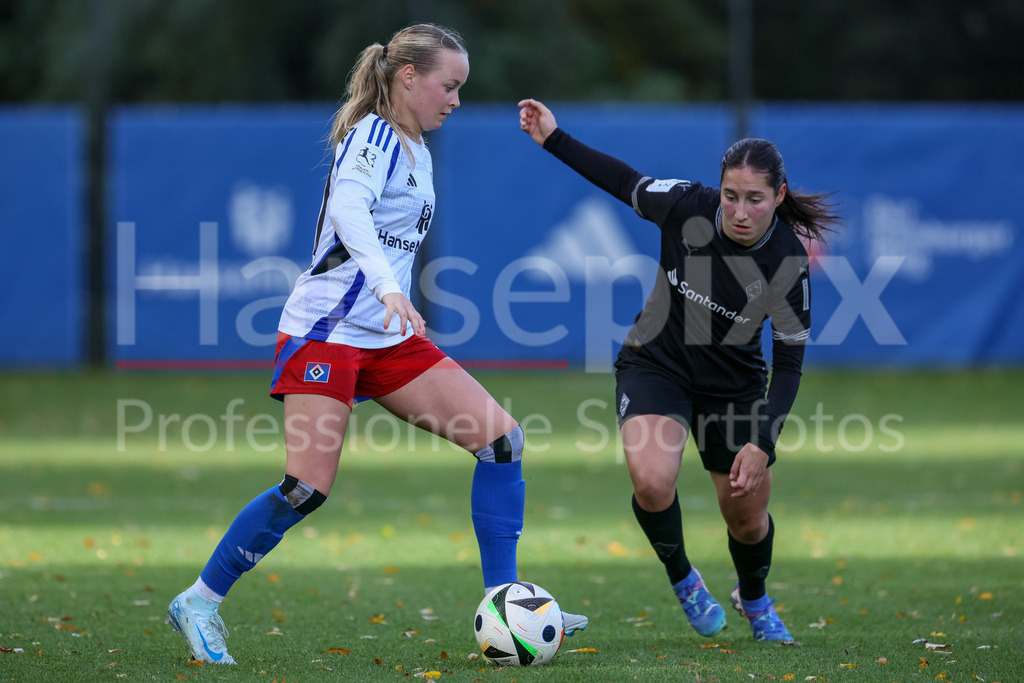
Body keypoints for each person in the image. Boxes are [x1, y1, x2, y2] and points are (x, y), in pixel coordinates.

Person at [165, 25, 587, 665]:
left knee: (501, 441)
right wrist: (390, 288)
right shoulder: (373, 136)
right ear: (408, 77)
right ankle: (199, 601)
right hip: (325, 332)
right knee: (306, 488)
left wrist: (391, 301)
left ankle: (508, 606)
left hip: (385, 339)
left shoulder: (417, 148)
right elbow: (349, 212)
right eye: (449, 86)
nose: (456, 100)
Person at [518, 98, 839, 642]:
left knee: (747, 519)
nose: (739, 211)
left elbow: (788, 365)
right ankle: (684, 579)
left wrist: (762, 441)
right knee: (651, 481)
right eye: (731, 195)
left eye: (755, 199)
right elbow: (623, 181)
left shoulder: (787, 262)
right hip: (656, 363)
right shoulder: (686, 205)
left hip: (734, 386)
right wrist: (553, 137)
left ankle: (755, 598)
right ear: (720, 188)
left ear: (779, 197)